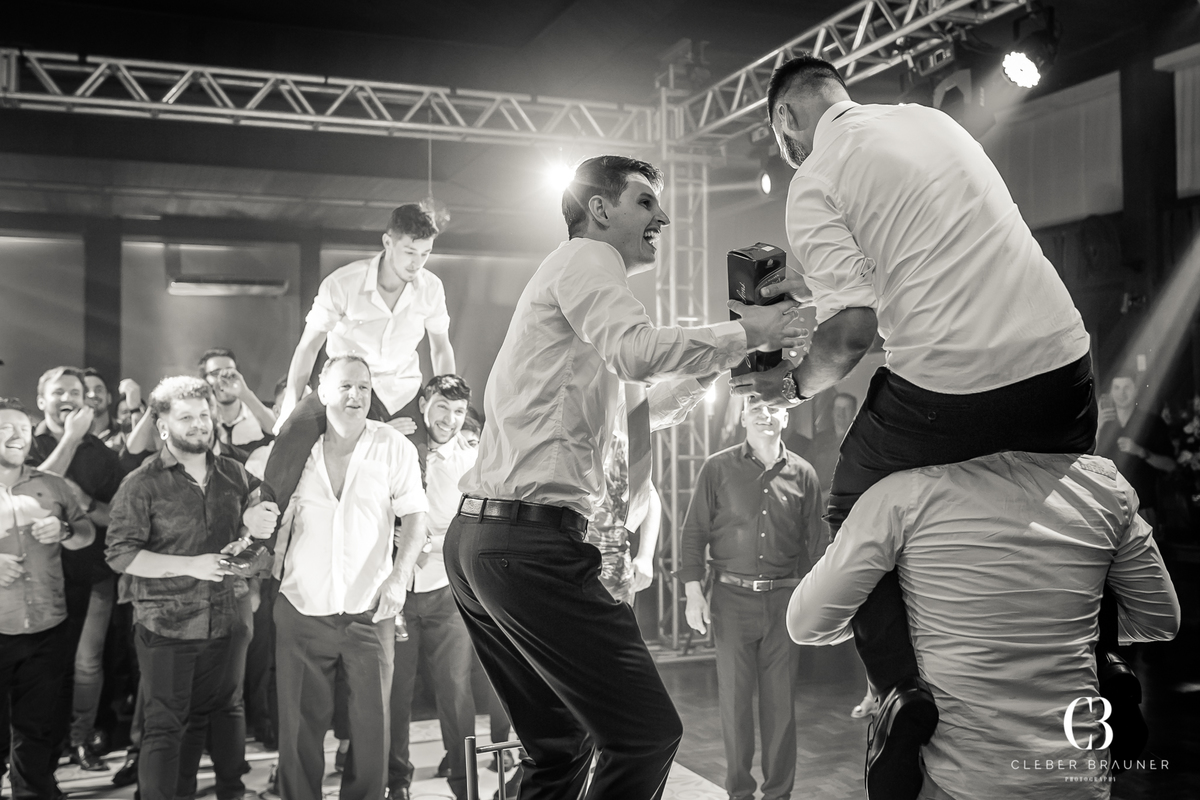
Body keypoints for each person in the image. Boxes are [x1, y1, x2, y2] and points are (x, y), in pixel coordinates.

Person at [730, 54, 1123, 798]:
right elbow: (923, 292)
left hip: (958, 387)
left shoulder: (814, 179)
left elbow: (849, 338)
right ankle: (1110, 667)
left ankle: (898, 691)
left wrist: (790, 384)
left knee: (850, 498)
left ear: (785, 120)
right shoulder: (931, 122)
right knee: (1077, 505)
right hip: (1064, 359)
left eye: (780, 138)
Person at [448, 154, 802, 800]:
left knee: (559, 748)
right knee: (644, 734)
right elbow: (638, 354)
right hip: (528, 547)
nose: (662, 217)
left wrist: (730, 355)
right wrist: (743, 329)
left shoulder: (576, 316)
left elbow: (641, 416)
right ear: (600, 209)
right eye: (645, 202)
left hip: (485, 542)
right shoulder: (587, 258)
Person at [788, 451, 1181, 799]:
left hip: (961, 782)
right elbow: (1159, 619)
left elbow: (807, 624)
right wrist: (1066, 627)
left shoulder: (904, 493)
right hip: (1077, 775)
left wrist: (916, 624)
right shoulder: (1104, 485)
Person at [105, 376, 278, 800]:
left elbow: (261, 525)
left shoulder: (234, 473)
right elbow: (120, 555)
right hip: (167, 625)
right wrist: (192, 566)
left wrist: (259, 520)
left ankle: (230, 791)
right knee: (166, 725)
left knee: (227, 710)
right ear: (163, 426)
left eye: (204, 415)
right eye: (186, 417)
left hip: (229, 617)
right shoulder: (141, 483)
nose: (199, 424)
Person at [271, 355, 428, 800]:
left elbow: (416, 518)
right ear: (322, 392)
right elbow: (266, 509)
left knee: (372, 730)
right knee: (299, 733)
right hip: (303, 607)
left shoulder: (392, 445)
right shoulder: (296, 449)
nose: (355, 395)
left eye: (363, 386)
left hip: (369, 610)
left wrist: (398, 579)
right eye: (345, 386)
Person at [263, 204, 454, 517]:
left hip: (402, 390)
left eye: (425, 253)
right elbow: (309, 346)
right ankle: (261, 536)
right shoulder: (343, 283)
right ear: (387, 242)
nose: (416, 263)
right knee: (292, 435)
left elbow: (441, 348)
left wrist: (445, 399)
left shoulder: (431, 288)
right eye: (409, 252)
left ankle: (402, 551)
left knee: (415, 466)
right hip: (346, 386)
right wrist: (289, 406)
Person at [680, 396, 826, 800]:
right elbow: (693, 534)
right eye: (756, 408)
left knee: (781, 709)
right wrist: (694, 593)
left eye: (774, 408)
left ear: (787, 415)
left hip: (784, 602)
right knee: (735, 707)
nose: (765, 415)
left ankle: (779, 794)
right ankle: (739, 793)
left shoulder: (804, 474)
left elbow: (818, 546)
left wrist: (823, 606)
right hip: (730, 599)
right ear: (743, 415)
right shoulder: (717, 468)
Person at [28, 366, 126, 772]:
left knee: (87, 663)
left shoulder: (102, 456)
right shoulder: (23, 445)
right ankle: (41, 747)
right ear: (41, 401)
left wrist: (85, 504)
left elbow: (119, 516)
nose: (67, 398)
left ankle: (81, 741)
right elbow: (33, 488)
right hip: (37, 578)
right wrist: (69, 439)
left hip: (93, 574)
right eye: (58, 392)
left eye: (76, 391)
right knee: (42, 666)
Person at [0, 396, 96, 800]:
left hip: (47, 625)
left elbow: (87, 533)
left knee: (38, 725)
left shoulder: (53, 485)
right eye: (5, 427)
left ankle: (33, 791)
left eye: (23, 427)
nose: (16, 434)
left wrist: (64, 531)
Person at [389, 374, 478, 800]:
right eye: (442, 407)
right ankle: (395, 779)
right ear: (424, 402)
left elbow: (475, 525)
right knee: (395, 691)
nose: (449, 419)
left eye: (458, 411)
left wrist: (429, 541)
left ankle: (464, 781)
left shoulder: (472, 456)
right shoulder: (397, 446)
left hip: (447, 588)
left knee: (456, 689)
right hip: (397, 590)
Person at [584, 429, 662, 606]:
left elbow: (648, 498)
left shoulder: (618, 443)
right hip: (563, 564)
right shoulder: (561, 439)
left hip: (612, 571)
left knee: (612, 632)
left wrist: (645, 556)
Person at [1096, 371, 1175, 523]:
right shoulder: (1103, 423)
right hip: (1108, 509)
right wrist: (1098, 426)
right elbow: (1087, 459)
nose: (1121, 393)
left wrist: (1140, 451)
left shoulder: (1153, 423)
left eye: (1127, 387)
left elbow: (1170, 466)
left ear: (1136, 390)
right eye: (1117, 388)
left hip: (1144, 507)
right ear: (1111, 392)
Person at [199, 348, 277, 455]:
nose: (223, 380)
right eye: (216, 373)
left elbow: (277, 430)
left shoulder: (258, 411)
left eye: (230, 373)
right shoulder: (201, 419)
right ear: (204, 380)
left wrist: (244, 393)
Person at [82, 368, 142, 452]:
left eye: (98, 390)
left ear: (109, 398)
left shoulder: (125, 431)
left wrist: (135, 408)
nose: (92, 394)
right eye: (86, 391)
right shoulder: (70, 436)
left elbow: (143, 449)